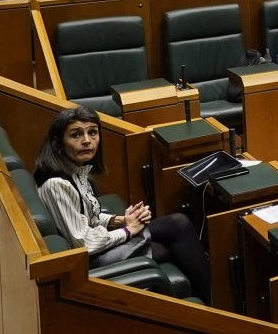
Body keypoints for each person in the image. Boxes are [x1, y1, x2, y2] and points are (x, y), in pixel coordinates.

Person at [34, 106, 210, 300]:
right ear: (59, 143)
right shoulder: (56, 184)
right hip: (89, 262)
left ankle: (208, 300)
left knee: (178, 229)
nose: (87, 141)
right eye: (76, 135)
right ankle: (214, 302)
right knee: (178, 231)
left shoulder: (73, 170)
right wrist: (128, 230)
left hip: (95, 249)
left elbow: (87, 216)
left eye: (92, 133)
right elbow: (84, 242)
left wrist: (120, 220)